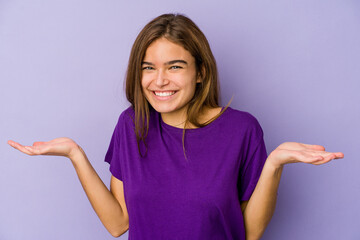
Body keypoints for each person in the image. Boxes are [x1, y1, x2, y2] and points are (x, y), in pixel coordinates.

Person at [7, 13, 344, 240]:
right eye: (148, 67)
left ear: (200, 73)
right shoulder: (132, 125)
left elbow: (250, 232)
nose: (159, 80)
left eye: (175, 66)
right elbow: (118, 223)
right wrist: (75, 154)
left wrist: (274, 164)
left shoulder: (242, 130)